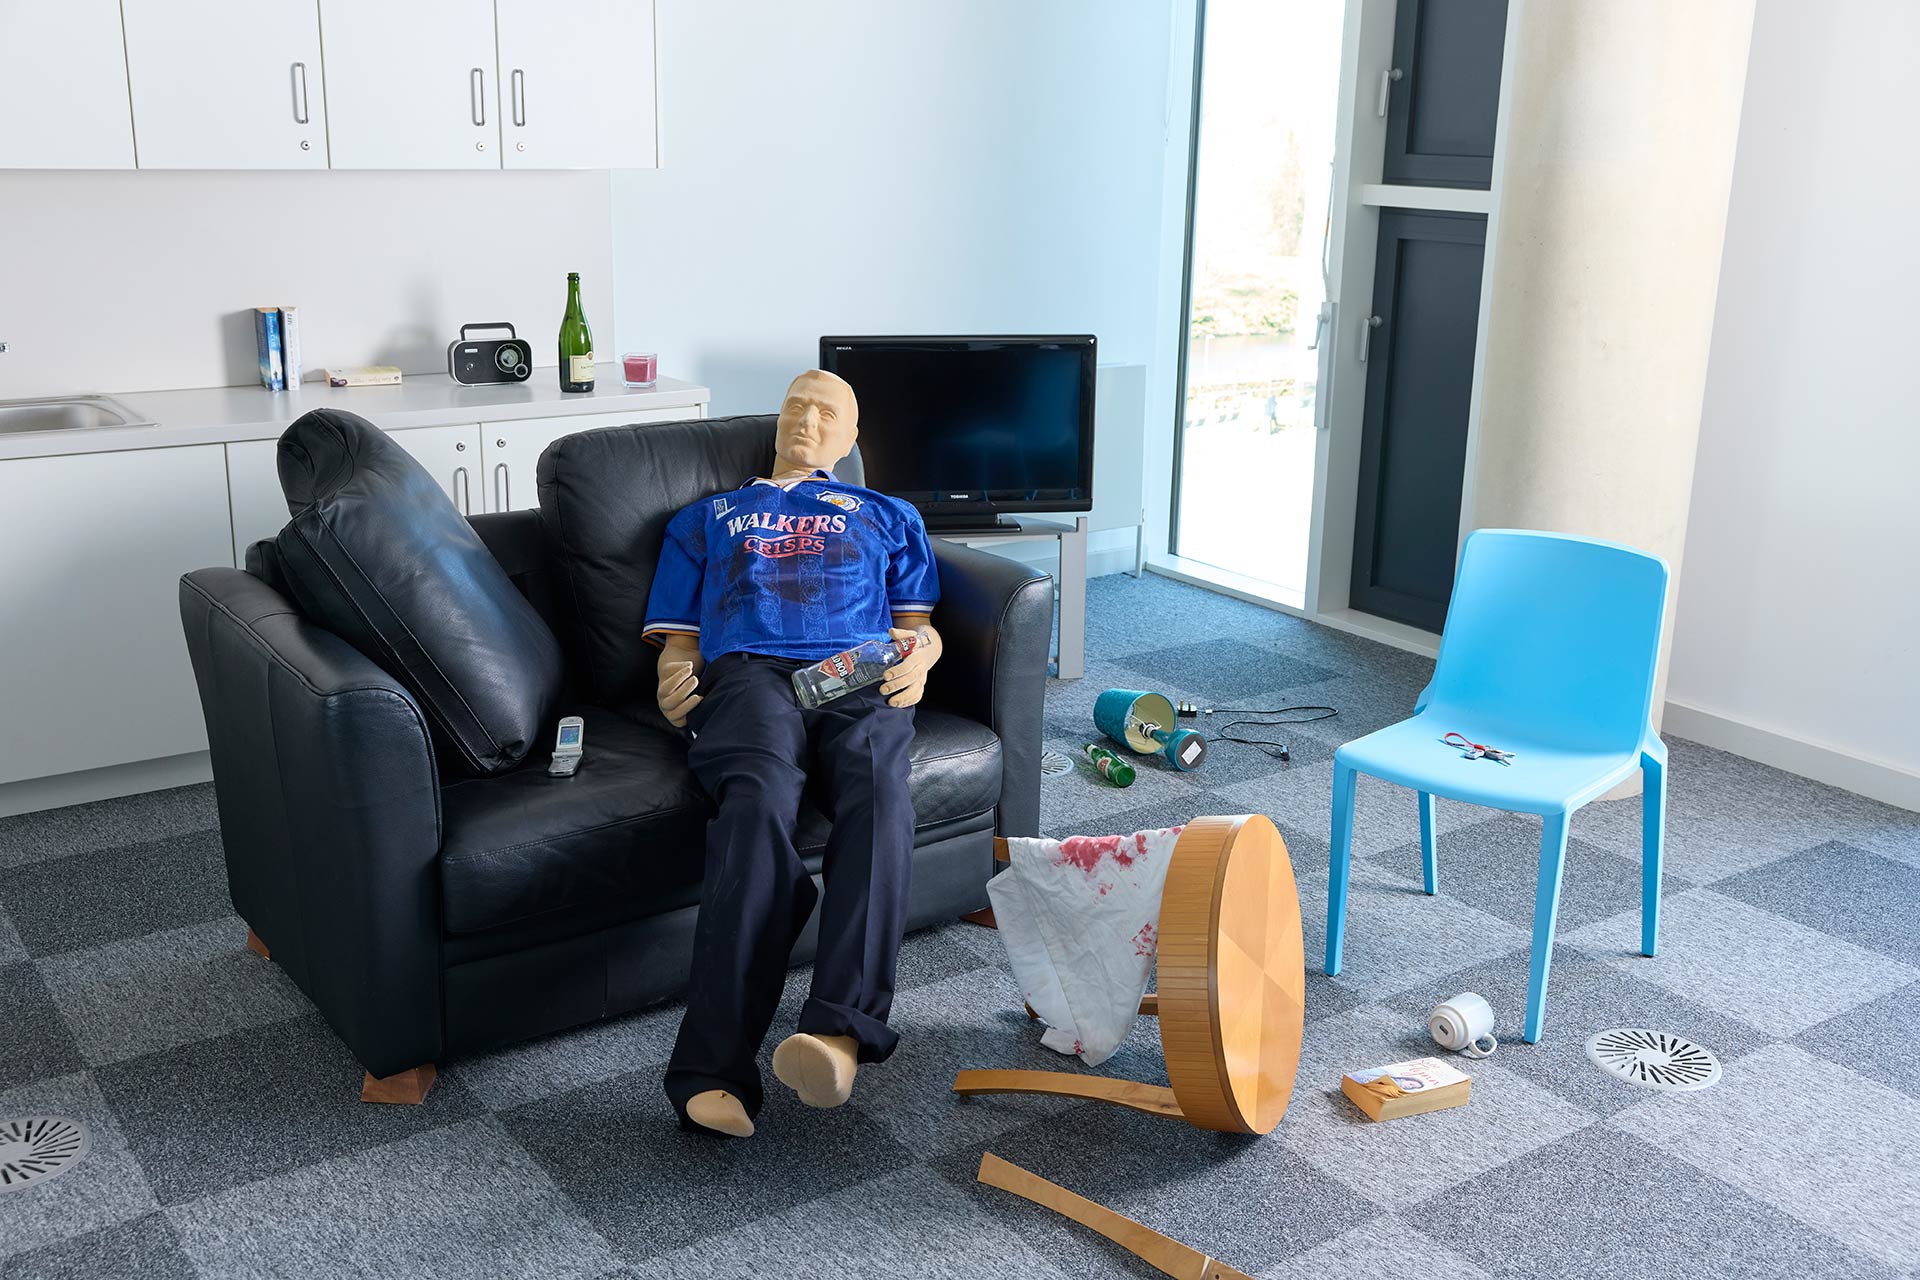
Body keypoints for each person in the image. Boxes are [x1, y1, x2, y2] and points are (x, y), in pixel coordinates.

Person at [641, 368, 942, 1138]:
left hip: (860, 669)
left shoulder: (888, 514)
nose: (808, 419)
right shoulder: (707, 517)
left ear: (850, 440)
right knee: (754, 806)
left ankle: (839, 1029)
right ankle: (714, 1070)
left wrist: (924, 655)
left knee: (881, 796)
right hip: (749, 676)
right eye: (796, 407)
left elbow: (918, 626)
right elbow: (679, 641)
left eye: (827, 411)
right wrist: (674, 674)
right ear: (775, 425)